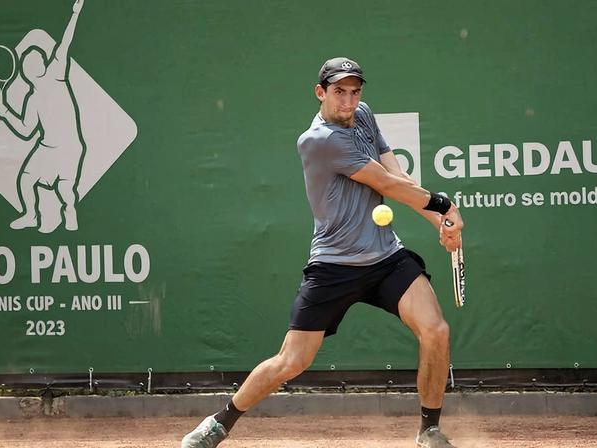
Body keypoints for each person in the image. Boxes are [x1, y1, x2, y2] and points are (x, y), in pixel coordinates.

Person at [182, 56, 464, 448]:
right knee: (291, 362)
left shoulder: (362, 115)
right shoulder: (320, 140)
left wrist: (440, 223)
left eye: (354, 92)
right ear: (321, 93)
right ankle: (219, 422)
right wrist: (443, 205)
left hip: (386, 258)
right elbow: (385, 183)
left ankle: (429, 430)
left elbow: (397, 175)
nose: (348, 102)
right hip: (334, 266)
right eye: (338, 93)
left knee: (436, 331)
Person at [0, 0, 86, 233]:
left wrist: (75, 14)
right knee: (25, 179)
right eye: (28, 63)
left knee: (66, 190)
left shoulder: (56, 73)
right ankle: (31, 215)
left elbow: (65, 43)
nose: (33, 63)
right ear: (24, 73)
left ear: (43, 64)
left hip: (70, 147)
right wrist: (5, 114)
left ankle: (70, 211)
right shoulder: (31, 99)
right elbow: (25, 130)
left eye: (37, 59)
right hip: (46, 147)